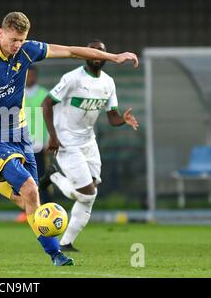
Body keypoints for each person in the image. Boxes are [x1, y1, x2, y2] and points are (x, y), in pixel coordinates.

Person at [0, 12, 138, 267]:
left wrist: (113, 57)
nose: (17, 45)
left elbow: (72, 52)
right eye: (13, 39)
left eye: (21, 39)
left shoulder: (27, 51)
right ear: (1, 33)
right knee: (30, 189)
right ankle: (56, 254)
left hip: (19, 131)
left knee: (28, 197)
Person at [40, 40, 139, 252]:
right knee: (87, 194)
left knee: (89, 194)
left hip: (88, 141)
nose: (97, 55)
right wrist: (53, 136)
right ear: (86, 55)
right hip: (67, 141)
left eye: (101, 52)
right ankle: (54, 176)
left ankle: (65, 243)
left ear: (105, 57)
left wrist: (124, 119)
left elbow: (112, 117)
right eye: (93, 51)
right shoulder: (73, 78)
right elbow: (46, 103)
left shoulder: (108, 83)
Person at [16, 65, 51, 222]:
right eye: (27, 75)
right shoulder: (17, 94)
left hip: (38, 145)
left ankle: (46, 210)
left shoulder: (44, 95)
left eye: (32, 75)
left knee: (42, 178)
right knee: (23, 180)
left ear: (35, 76)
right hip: (20, 145)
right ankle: (28, 211)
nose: (29, 78)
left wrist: (49, 140)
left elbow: (51, 118)